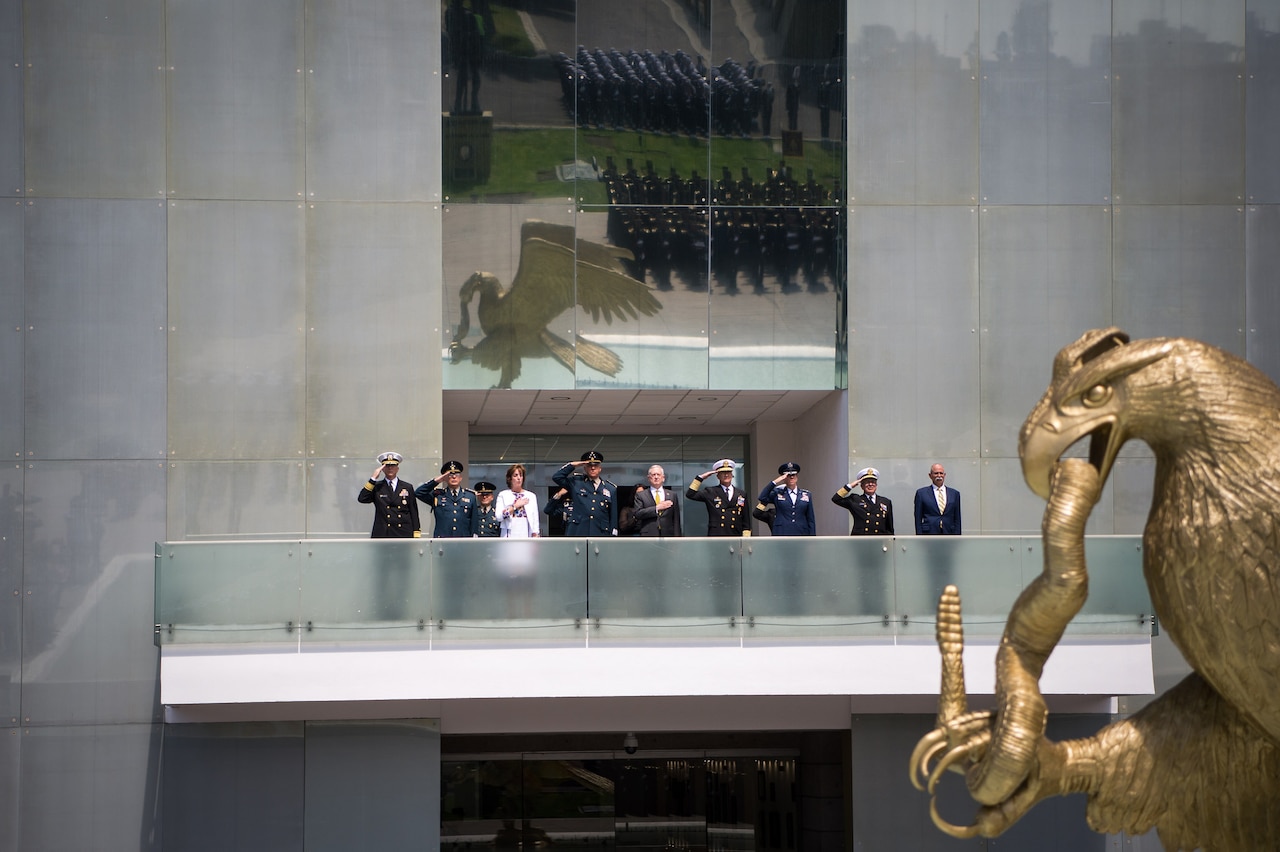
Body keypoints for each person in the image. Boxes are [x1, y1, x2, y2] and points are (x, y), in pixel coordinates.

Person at [552, 451, 619, 536]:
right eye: (589, 465)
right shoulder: (576, 482)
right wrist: (573, 465)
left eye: (596, 466)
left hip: (600, 532)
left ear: (600, 468)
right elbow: (557, 477)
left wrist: (613, 533)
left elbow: (613, 515)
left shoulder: (610, 488)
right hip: (578, 531)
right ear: (585, 468)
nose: (593, 468)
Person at [357, 451, 421, 538]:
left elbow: (413, 511)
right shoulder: (377, 487)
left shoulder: (407, 487)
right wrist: (373, 479)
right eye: (387, 466)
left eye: (393, 465)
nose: (390, 468)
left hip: (403, 532)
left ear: (397, 468)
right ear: (382, 468)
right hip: (383, 532)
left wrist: (416, 532)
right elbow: (362, 498)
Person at [685, 459, 751, 536]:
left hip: (736, 533)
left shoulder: (741, 493)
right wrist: (700, 478)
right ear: (718, 476)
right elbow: (690, 494)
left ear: (732, 475)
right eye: (723, 473)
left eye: (728, 472)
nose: (726, 475)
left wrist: (746, 538)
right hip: (717, 533)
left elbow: (746, 518)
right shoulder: (711, 492)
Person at [414, 460, 480, 537]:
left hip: (463, 541)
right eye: (450, 474)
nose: (454, 477)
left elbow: (474, 522)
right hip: (443, 540)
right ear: (445, 477)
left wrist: (473, 539)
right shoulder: (438, 495)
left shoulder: (470, 496)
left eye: (457, 474)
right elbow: (418, 493)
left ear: (461, 478)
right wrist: (437, 481)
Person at [756, 461, 815, 536]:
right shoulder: (777, 493)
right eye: (788, 475)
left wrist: (813, 539)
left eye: (794, 474)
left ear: (797, 476)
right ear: (783, 478)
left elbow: (810, 519)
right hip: (782, 532)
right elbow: (762, 497)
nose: (792, 477)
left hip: (801, 532)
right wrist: (775, 482)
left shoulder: (806, 494)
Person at [832, 467, 894, 535]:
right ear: (862, 486)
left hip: (879, 541)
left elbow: (889, 527)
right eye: (867, 482)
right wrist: (850, 486)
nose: (870, 484)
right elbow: (836, 499)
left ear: (876, 485)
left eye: (873, 482)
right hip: (860, 541)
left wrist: (890, 543)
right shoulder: (855, 499)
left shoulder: (885, 502)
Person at [634, 464, 682, 537]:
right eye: (653, 475)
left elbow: (676, 519)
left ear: (663, 478)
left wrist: (677, 538)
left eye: (658, 474)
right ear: (649, 478)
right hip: (649, 535)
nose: (656, 477)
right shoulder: (641, 495)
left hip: (668, 535)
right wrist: (656, 508)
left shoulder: (672, 495)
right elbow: (638, 514)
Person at [914, 463, 961, 535]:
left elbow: (957, 518)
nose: (939, 476)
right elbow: (918, 518)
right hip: (929, 533)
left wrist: (958, 537)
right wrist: (919, 537)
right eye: (936, 473)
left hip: (949, 533)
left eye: (941, 473)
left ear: (944, 475)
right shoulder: (921, 493)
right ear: (930, 475)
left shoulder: (954, 494)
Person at [495, 463, 540, 538]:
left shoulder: (531, 496)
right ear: (510, 478)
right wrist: (515, 506)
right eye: (515, 475)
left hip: (526, 531)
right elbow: (499, 516)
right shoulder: (503, 495)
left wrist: (535, 533)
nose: (519, 478)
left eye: (521, 475)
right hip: (510, 532)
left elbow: (535, 518)